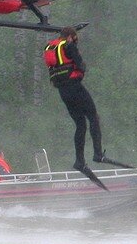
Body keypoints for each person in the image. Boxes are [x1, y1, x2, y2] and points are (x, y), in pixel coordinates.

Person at [44, 27, 104, 172]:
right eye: (75, 38)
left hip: (63, 92)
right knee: (93, 117)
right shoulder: (69, 46)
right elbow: (80, 65)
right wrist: (82, 66)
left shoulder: (50, 47)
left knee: (80, 124)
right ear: (70, 37)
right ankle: (98, 154)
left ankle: (80, 161)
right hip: (75, 87)